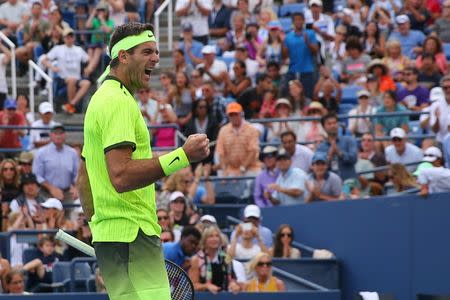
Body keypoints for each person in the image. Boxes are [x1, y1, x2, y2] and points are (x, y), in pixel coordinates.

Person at [77, 22, 210, 300]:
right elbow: (122, 176)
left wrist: (99, 229)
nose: (156, 59)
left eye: (157, 52)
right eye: (147, 51)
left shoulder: (100, 99)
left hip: (111, 237)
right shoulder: (119, 102)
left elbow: (84, 178)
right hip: (134, 233)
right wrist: (182, 155)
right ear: (123, 56)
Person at [42, 28, 93, 114]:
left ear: (74, 38)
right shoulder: (58, 48)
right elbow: (44, 60)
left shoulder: (78, 49)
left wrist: (88, 68)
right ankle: (70, 106)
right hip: (62, 78)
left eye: (71, 37)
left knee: (86, 83)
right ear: (64, 38)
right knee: (72, 80)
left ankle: (71, 104)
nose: (69, 39)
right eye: (67, 37)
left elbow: (89, 59)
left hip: (77, 78)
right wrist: (52, 67)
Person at [189, 226, 244, 294]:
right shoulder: (196, 259)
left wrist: (233, 284)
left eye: (217, 236)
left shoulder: (227, 258)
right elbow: (192, 285)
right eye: (211, 236)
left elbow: (232, 279)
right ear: (204, 240)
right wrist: (206, 286)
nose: (214, 239)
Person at [32, 125, 79, 201]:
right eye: (55, 133)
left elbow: (76, 173)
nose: (58, 136)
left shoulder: (72, 152)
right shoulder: (41, 152)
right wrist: (51, 188)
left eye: (61, 133)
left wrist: (76, 187)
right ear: (50, 135)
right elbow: (37, 175)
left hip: (67, 193)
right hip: (46, 193)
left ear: (65, 135)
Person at [215, 102, 260, 176]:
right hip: (231, 168)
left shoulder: (251, 129)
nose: (234, 117)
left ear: (241, 114)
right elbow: (221, 152)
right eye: (231, 115)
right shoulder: (223, 131)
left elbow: (253, 151)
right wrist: (224, 169)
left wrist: (242, 168)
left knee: (253, 178)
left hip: (251, 167)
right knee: (224, 179)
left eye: (236, 114)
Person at [282, 12, 318, 98]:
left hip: (307, 71)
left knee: (308, 95)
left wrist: (308, 43)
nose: (298, 21)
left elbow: (315, 51)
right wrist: (282, 45)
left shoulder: (310, 33)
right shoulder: (288, 37)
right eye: (296, 20)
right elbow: (284, 56)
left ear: (303, 21)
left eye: (300, 19)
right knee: (291, 96)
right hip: (292, 71)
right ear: (293, 22)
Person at [316, 113, 358, 180]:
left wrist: (339, 152)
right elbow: (319, 168)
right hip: (331, 184)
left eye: (335, 123)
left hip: (349, 183)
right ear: (324, 127)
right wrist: (329, 156)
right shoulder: (321, 147)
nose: (333, 125)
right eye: (329, 124)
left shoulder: (349, 140)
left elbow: (354, 159)